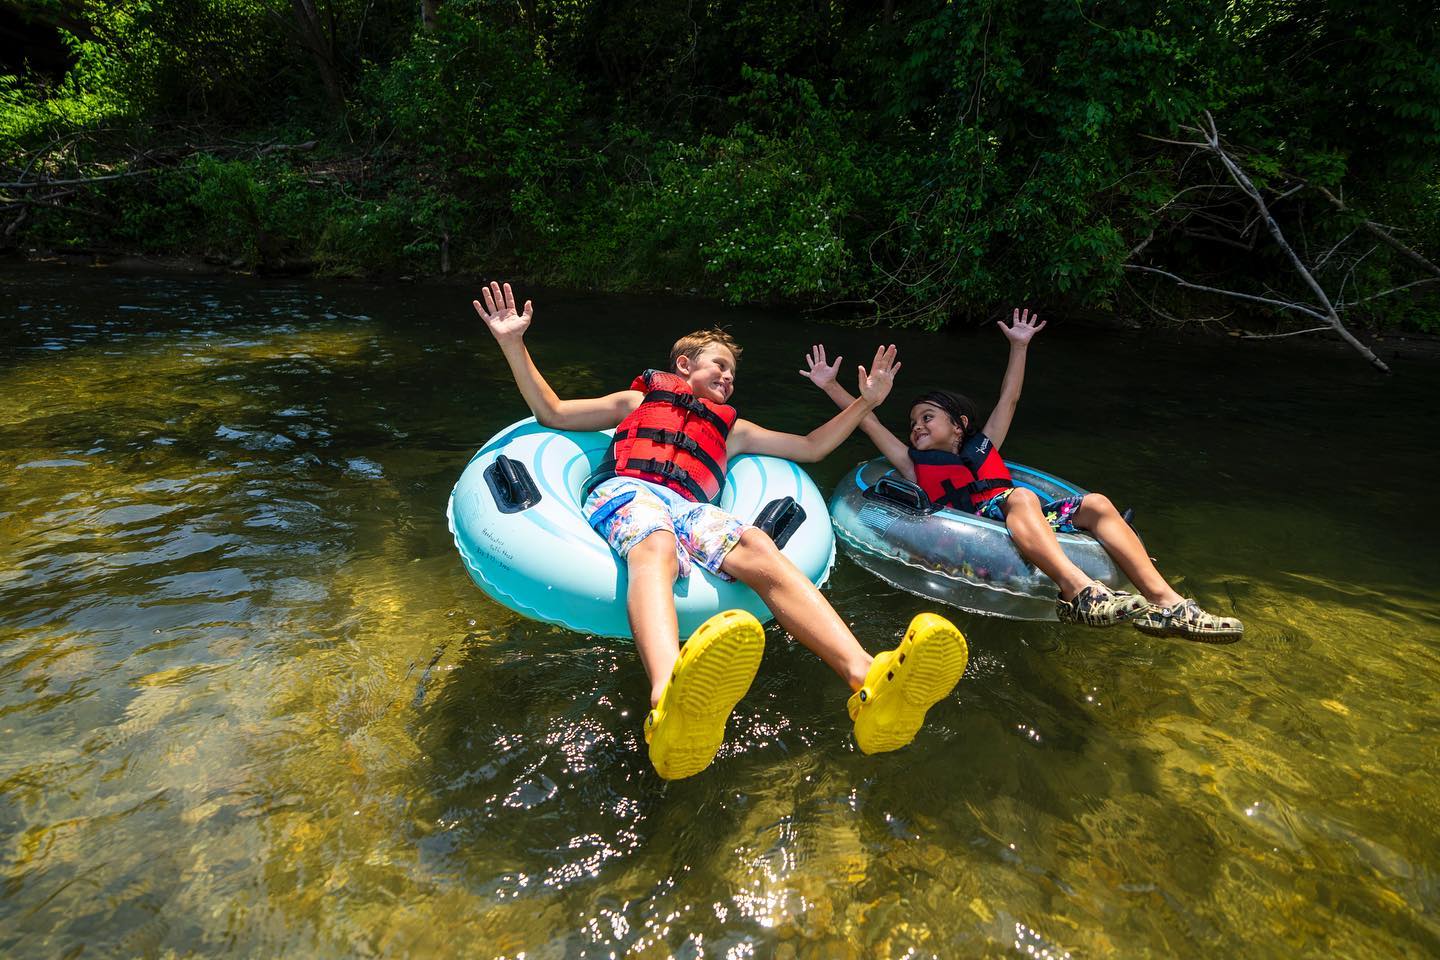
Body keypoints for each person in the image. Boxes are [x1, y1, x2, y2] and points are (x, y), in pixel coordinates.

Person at [473, 281, 969, 780]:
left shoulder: (732, 430)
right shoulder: (635, 401)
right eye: (720, 366)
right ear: (683, 365)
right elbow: (553, 412)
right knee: (656, 544)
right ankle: (668, 697)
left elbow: (813, 446)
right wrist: (512, 342)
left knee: (756, 544)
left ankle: (867, 681)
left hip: (691, 507)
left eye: (733, 373)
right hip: (629, 491)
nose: (729, 379)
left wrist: (865, 402)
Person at [800, 309, 1243, 641]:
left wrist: (1019, 346)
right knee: (1021, 498)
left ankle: (1168, 605)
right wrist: (831, 387)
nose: (916, 426)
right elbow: (868, 422)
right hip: (964, 527)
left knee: (1097, 504)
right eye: (914, 421)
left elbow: (1008, 400)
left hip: (1015, 516)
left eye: (928, 418)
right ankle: (1079, 593)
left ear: (959, 427)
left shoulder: (983, 444)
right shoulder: (911, 463)